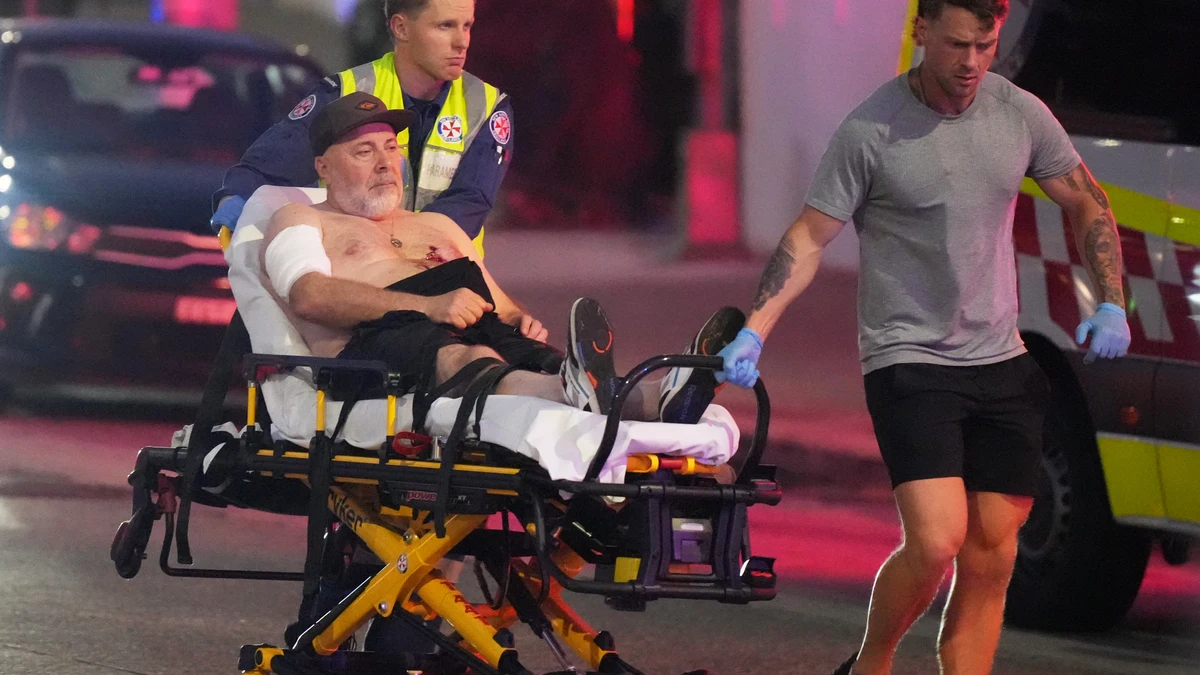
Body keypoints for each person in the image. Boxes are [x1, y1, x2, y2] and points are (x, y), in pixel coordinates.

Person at [716, 2, 1131, 674]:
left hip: (1000, 358)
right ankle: (872, 662)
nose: (972, 63)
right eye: (958, 45)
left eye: (986, 45)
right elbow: (809, 237)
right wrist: (755, 331)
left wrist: (1111, 301)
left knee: (994, 553)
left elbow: (1086, 199)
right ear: (922, 32)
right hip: (908, 358)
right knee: (938, 539)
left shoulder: (1018, 114)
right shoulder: (873, 128)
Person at [263, 92, 739, 427]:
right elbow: (308, 295)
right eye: (364, 152)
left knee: (541, 358)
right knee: (471, 358)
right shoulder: (300, 217)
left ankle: (661, 398)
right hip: (377, 347)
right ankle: (571, 393)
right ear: (323, 167)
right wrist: (429, 306)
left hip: (470, 323)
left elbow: (502, 306)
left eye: (391, 147)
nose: (386, 162)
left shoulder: (436, 225)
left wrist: (520, 318)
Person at [215, 0, 512, 256]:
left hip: (446, 275)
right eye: (445, 26)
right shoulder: (346, 92)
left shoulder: (486, 106)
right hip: (354, 272)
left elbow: (468, 203)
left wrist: (394, 249)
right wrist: (236, 197)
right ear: (401, 28)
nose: (462, 42)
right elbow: (271, 164)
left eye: (467, 26)